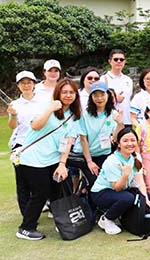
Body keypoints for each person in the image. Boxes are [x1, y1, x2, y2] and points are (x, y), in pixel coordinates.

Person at [16, 78, 81, 240]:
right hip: (33, 159)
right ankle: (26, 228)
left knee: (57, 190)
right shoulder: (45, 105)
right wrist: (50, 108)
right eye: (64, 92)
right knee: (40, 193)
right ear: (57, 92)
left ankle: (62, 222)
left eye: (71, 92)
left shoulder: (73, 115)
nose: (68, 95)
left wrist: (62, 164)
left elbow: (68, 141)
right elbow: (35, 125)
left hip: (53, 160)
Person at [91, 128, 150, 235]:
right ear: (119, 144)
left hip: (121, 191)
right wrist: (125, 174)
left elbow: (140, 181)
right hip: (101, 193)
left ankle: (123, 217)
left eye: (132, 140)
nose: (130, 144)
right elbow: (117, 187)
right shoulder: (112, 161)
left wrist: (146, 200)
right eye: (125, 141)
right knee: (127, 198)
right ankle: (106, 219)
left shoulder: (136, 157)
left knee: (146, 196)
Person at [68, 82, 123, 189]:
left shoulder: (113, 114)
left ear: (108, 95)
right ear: (91, 97)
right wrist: (89, 162)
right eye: (95, 95)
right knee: (94, 182)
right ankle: (85, 194)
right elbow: (83, 139)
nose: (99, 98)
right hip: (86, 155)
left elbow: (116, 139)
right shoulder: (85, 114)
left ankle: (86, 191)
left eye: (102, 94)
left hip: (103, 153)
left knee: (107, 181)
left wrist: (120, 124)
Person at [7, 71, 41, 215]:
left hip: (39, 145)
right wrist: (13, 115)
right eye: (23, 83)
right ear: (18, 85)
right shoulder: (14, 104)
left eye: (29, 82)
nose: (26, 85)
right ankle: (26, 214)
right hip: (20, 145)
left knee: (39, 181)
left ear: (34, 84)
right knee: (22, 183)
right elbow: (12, 126)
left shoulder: (43, 101)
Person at [102, 49, 133, 127]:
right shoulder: (103, 79)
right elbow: (100, 100)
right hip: (110, 120)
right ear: (110, 61)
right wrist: (115, 99)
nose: (119, 61)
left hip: (126, 120)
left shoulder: (128, 80)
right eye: (116, 59)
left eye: (121, 59)